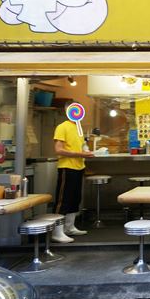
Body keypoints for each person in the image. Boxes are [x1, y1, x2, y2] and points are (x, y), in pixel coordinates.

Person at [53, 102, 94, 242]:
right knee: (63, 200)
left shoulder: (78, 127)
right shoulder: (62, 127)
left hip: (79, 167)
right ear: (67, 111)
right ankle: (57, 232)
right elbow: (58, 150)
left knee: (75, 198)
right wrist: (80, 154)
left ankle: (69, 227)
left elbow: (81, 146)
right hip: (67, 167)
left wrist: (86, 151)